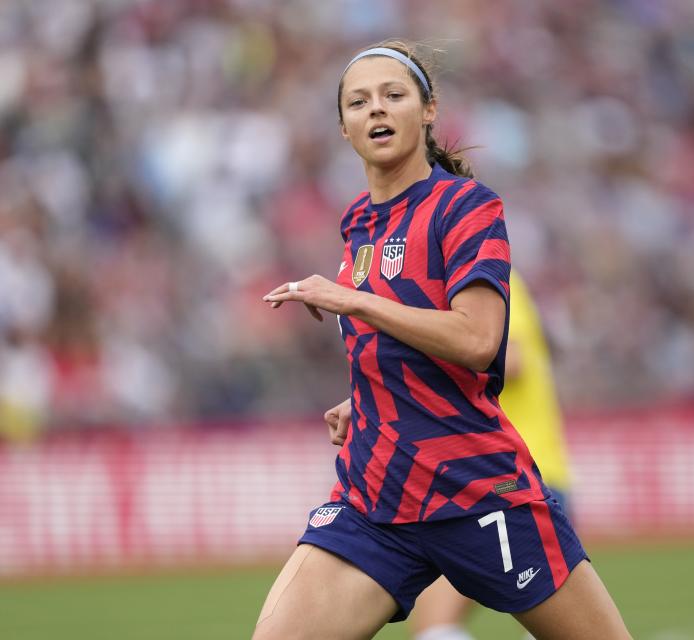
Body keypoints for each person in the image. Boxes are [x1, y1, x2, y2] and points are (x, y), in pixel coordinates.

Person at [254, 40, 630, 640]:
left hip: (475, 489)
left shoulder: (467, 208)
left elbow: (480, 340)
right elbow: (409, 344)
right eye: (359, 102)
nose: (376, 110)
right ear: (344, 127)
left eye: (393, 96)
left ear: (428, 111)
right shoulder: (359, 223)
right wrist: (372, 397)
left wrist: (354, 300)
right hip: (375, 495)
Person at [409, 270, 574, 640]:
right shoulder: (479, 278)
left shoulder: (484, 278)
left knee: (436, 626)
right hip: (507, 475)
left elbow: (509, 359)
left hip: (513, 476)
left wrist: (419, 363)